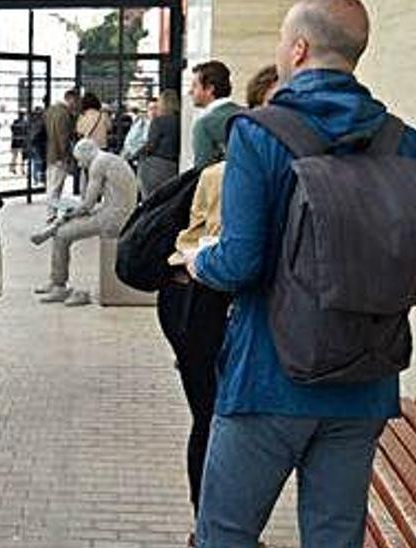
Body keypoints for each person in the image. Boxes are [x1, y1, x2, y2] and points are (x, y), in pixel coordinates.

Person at [185, 1, 416, 545]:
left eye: (283, 42)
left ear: (299, 48)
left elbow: (239, 263)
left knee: (225, 534)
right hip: (366, 383)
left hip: (267, 378)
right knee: (334, 537)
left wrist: (196, 259)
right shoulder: (407, 143)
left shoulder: (257, 134)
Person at [157, 64, 279, 547]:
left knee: (232, 423)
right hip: (200, 306)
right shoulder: (225, 172)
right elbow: (205, 245)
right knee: (211, 417)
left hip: (240, 316)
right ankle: (207, 528)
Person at [32, 139, 138, 306]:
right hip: (117, 212)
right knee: (67, 223)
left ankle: (59, 284)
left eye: (80, 160)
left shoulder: (98, 164)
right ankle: (56, 280)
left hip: (113, 218)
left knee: (62, 235)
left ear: (87, 153)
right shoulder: (109, 159)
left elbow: (87, 204)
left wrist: (69, 213)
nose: (80, 165)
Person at [189, 60, 243, 168]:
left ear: (209, 89)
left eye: (195, 86)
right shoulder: (249, 114)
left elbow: (202, 171)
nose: (190, 91)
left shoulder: (204, 124)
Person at [137, 89, 181, 199]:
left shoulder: (158, 121)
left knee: (150, 201)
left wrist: (137, 154)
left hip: (155, 166)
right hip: (174, 166)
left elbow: (151, 145)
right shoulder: (181, 121)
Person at [43, 90, 79, 219]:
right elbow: (64, 138)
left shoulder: (50, 110)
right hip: (60, 155)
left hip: (49, 153)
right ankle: (51, 214)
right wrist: (67, 156)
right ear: (70, 99)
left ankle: (50, 212)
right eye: (75, 101)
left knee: (51, 184)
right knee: (56, 187)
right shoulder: (64, 114)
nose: (76, 105)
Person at [121, 97, 156, 163]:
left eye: (156, 108)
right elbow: (129, 141)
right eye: (151, 109)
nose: (154, 111)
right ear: (147, 110)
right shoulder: (141, 123)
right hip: (138, 158)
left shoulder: (160, 124)